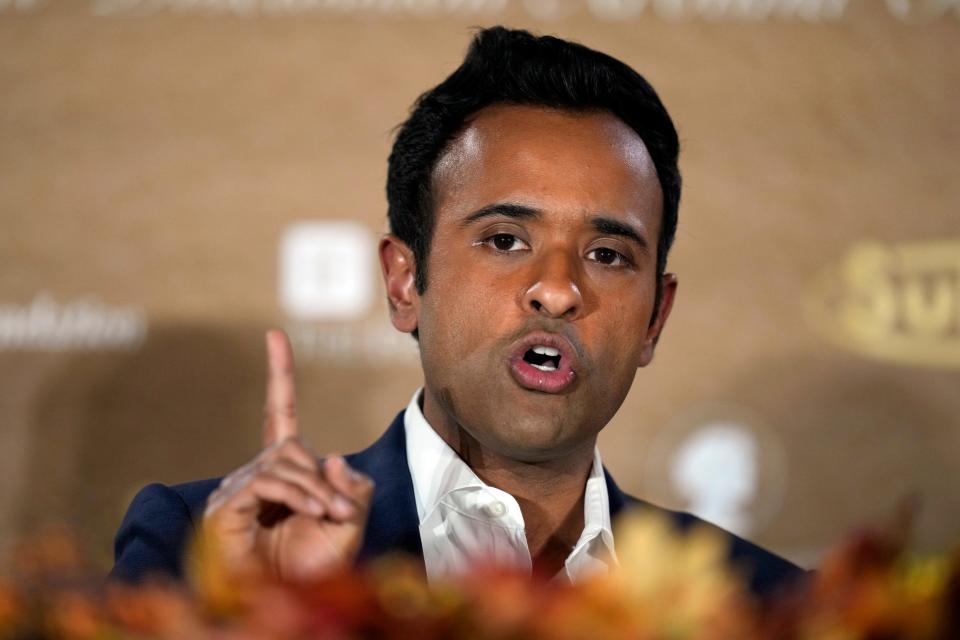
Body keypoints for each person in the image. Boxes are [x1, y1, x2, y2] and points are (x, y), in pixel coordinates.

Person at [112, 26, 804, 597]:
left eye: (608, 255)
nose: (559, 290)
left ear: (656, 317)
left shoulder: (760, 603)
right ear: (405, 282)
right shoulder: (202, 551)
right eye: (505, 240)